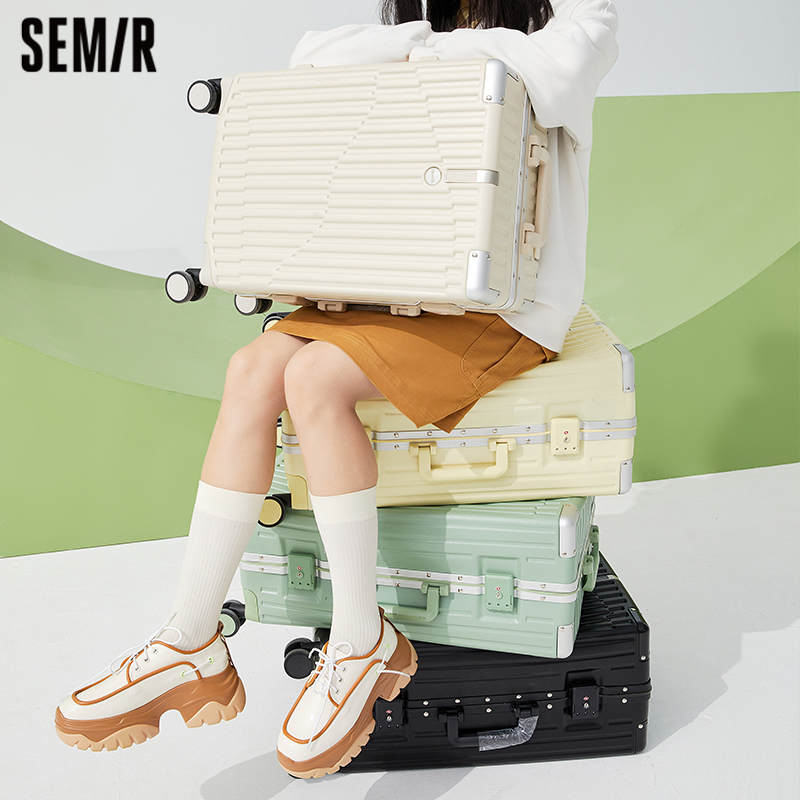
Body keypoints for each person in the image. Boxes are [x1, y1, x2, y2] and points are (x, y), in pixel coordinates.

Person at [54, 0, 618, 779]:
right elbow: (312, 58)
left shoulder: (575, 16)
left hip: (503, 302)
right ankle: (190, 638)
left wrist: (419, 55)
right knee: (251, 370)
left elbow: (559, 72)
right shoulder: (421, 22)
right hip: (394, 280)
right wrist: (429, 44)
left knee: (313, 377)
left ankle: (361, 639)